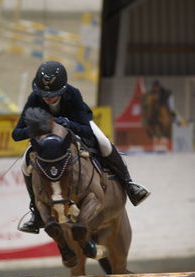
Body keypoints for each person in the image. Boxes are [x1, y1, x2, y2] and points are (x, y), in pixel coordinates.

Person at [12, 60, 150, 234]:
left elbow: (85, 129)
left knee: (104, 142)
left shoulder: (73, 94)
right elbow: (16, 134)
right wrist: (38, 127)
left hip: (76, 128)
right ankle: (36, 211)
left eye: (52, 94)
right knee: (25, 163)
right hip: (48, 140)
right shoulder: (34, 98)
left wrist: (69, 123)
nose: (47, 98)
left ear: (62, 90)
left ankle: (130, 185)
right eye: (43, 94)